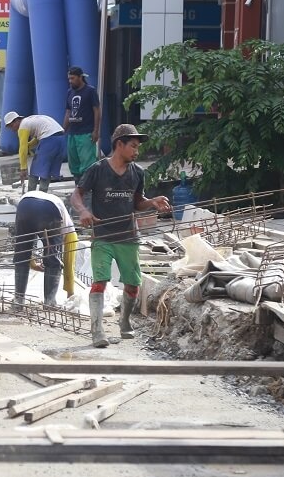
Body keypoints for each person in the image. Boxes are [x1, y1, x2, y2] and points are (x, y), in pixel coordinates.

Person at [70, 124, 171, 348]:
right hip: (102, 237)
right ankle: (97, 330)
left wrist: (152, 202)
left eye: (137, 147)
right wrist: (84, 211)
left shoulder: (137, 173)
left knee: (132, 284)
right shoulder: (97, 169)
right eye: (133, 146)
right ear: (119, 145)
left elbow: (137, 202)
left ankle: (125, 321)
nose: (137, 152)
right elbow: (76, 194)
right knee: (99, 282)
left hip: (128, 236)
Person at [12, 191, 79, 309]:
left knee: (22, 251)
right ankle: (50, 302)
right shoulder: (70, 231)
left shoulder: (61, 212)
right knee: (53, 257)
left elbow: (27, 247)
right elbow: (69, 262)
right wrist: (70, 292)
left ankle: (18, 300)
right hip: (50, 209)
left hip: (25, 204)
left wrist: (32, 263)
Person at [4, 110, 66, 192]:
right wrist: (28, 146)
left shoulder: (23, 126)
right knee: (47, 170)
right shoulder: (31, 121)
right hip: (61, 139)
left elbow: (22, 148)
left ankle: (31, 194)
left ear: (16, 121)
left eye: (11, 126)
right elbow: (36, 139)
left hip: (49, 139)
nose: (12, 130)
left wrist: (23, 168)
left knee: (35, 170)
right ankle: (43, 194)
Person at [63, 66, 100, 180]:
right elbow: (68, 112)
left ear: (80, 77)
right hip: (73, 133)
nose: (70, 81)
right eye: (69, 79)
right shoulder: (70, 92)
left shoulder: (90, 91)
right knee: (74, 164)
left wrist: (95, 131)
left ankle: (88, 191)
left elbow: (97, 111)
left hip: (86, 133)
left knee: (87, 164)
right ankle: (78, 189)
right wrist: (63, 130)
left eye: (72, 78)